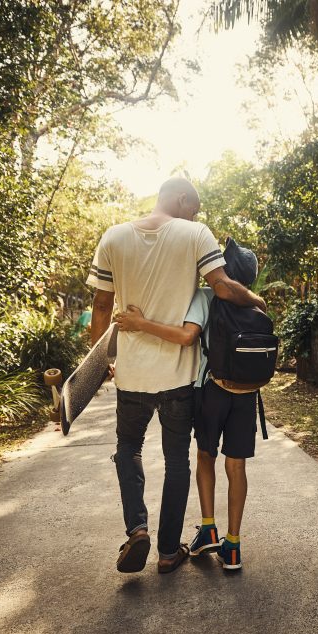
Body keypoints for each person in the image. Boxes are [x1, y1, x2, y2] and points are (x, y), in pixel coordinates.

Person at [86, 177, 265, 574]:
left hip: (132, 375)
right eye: (195, 207)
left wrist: (99, 361)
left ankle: (137, 528)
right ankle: (168, 551)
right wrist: (256, 299)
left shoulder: (113, 237)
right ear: (182, 199)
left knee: (128, 450)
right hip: (177, 378)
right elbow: (221, 287)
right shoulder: (196, 234)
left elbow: (101, 306)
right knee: (176, 462)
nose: (196, 214)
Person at [114, 240, 261, 570]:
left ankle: (208, 529)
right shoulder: (255, 305)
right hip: (246, 395)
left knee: (205, 457)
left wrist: (140, 324)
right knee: (236, 467)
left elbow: (185, 337)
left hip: (210, 392)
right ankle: (233, 547)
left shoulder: (206, 297)